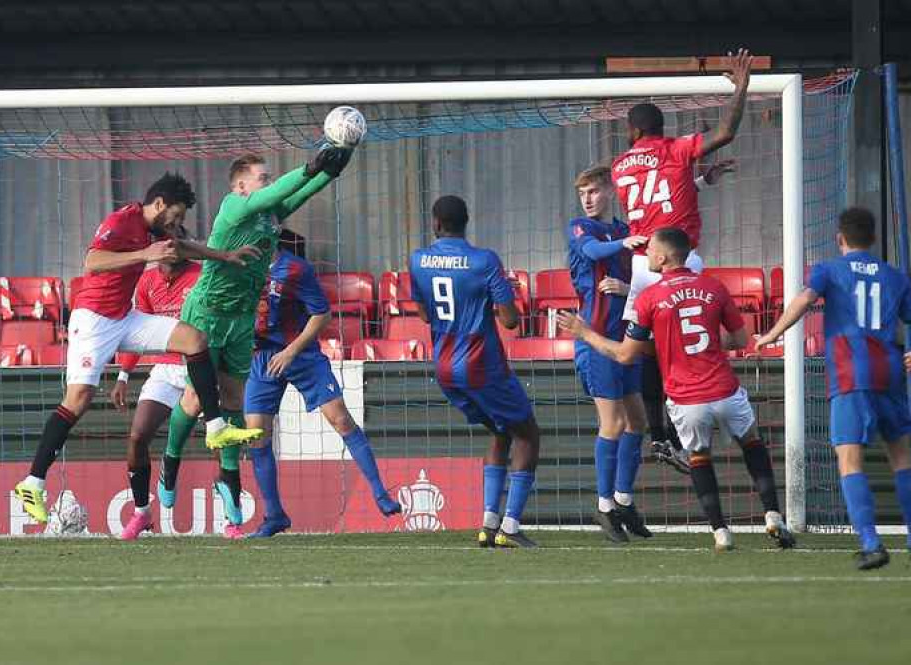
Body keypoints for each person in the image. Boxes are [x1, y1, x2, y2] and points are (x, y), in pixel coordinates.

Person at [12, 174, 264, 525]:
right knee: (79, 398)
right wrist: (144, 254)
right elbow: (93, 261)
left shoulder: (158, 231)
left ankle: (216, 426)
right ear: (159, 204)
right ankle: (32, 483)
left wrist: (223, 255)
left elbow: (181, 248)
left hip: (124, 317)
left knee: (194, 340)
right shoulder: (122, 220)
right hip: (94, 320)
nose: (176, 224)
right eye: (174, 216)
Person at [158, 147, 354, 538]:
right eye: (262, 178)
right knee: (196, 399)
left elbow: (298, 194)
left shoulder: (268, 217)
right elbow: (278, 191)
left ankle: (228, 480)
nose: (267, 183)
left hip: (242, 318)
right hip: (207, 313)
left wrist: (331, 169)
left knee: (234, 402)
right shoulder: (234, 206)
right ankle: (170, 464)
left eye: (268, 177)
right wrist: (308, 166)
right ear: (241, 186)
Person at [559, 227, 795, 552]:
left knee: (699, 458)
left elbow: (626, 354)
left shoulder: (650, 298)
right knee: (752, 444)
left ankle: (721, 532)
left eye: (651, 250)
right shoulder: (714, 287)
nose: (646, 256)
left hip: (687, 399)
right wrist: (706, 344)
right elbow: (741, 340)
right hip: (725, 389)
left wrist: (585, 334)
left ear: (664, 256)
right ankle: (772, 515)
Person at [756, 207, 911, 570]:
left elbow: (804, 301)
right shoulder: (895, 276)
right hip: (889, 373)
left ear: (840, 238)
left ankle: (871, 543)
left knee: (850, 460)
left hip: (850, 374)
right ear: (872, 238)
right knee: (902, 458)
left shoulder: (828, 270)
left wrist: (771, 335)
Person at [612, 49, 753, 476]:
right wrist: (741, 85)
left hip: (641, 266)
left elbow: (657, 194)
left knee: (645, 349)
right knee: (689, 336)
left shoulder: (619, 167)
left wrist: (699, 180)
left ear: (633, 130)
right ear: (660, 128)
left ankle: (658, 434)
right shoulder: (676, 150)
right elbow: (725, 132)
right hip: (677, 259)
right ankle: (692, 417)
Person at [243, 237, 401, 538]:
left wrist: (290, 351)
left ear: (273, 230)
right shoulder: (242, 265)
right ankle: (274, 516)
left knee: (340, 419)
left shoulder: (295, 269)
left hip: (300, 354)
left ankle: (380, 493)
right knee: (256, 434)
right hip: (262, 357)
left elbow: (322, 314)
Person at [410, 195, 541, 548]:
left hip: (444, 367)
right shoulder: (484, 261)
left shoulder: (418, 260)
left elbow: (423, 314)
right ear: (467, 222)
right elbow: (511, 321)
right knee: (528, 434)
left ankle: (488, 523)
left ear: (436, 224)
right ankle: (511, 527)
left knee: (500, 430)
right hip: (481, 363)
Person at [567, 166, 650, 542]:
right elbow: (593, 251)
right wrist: (626, 243)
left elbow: (642, 282)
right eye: (583, 192)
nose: (587, 198)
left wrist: (626, 284)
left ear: (609, 192)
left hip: (626, 338)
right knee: (613, 423)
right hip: (596, 339)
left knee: (638, 421)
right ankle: (604, 506)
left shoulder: (622, 229)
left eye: (594, 191)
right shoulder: (583, 230)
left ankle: (623, 498)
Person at [108, 226, 201, 540]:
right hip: (165, 369)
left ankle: (231, 518)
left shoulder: (202, 276)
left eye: (176, 245)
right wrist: (123, 376)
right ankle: (141, 514)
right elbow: (139, 333)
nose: (170, 249)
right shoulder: (147, 281)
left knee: (219, 441)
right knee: (137, 436)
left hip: (199, 369)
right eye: (165, 244)